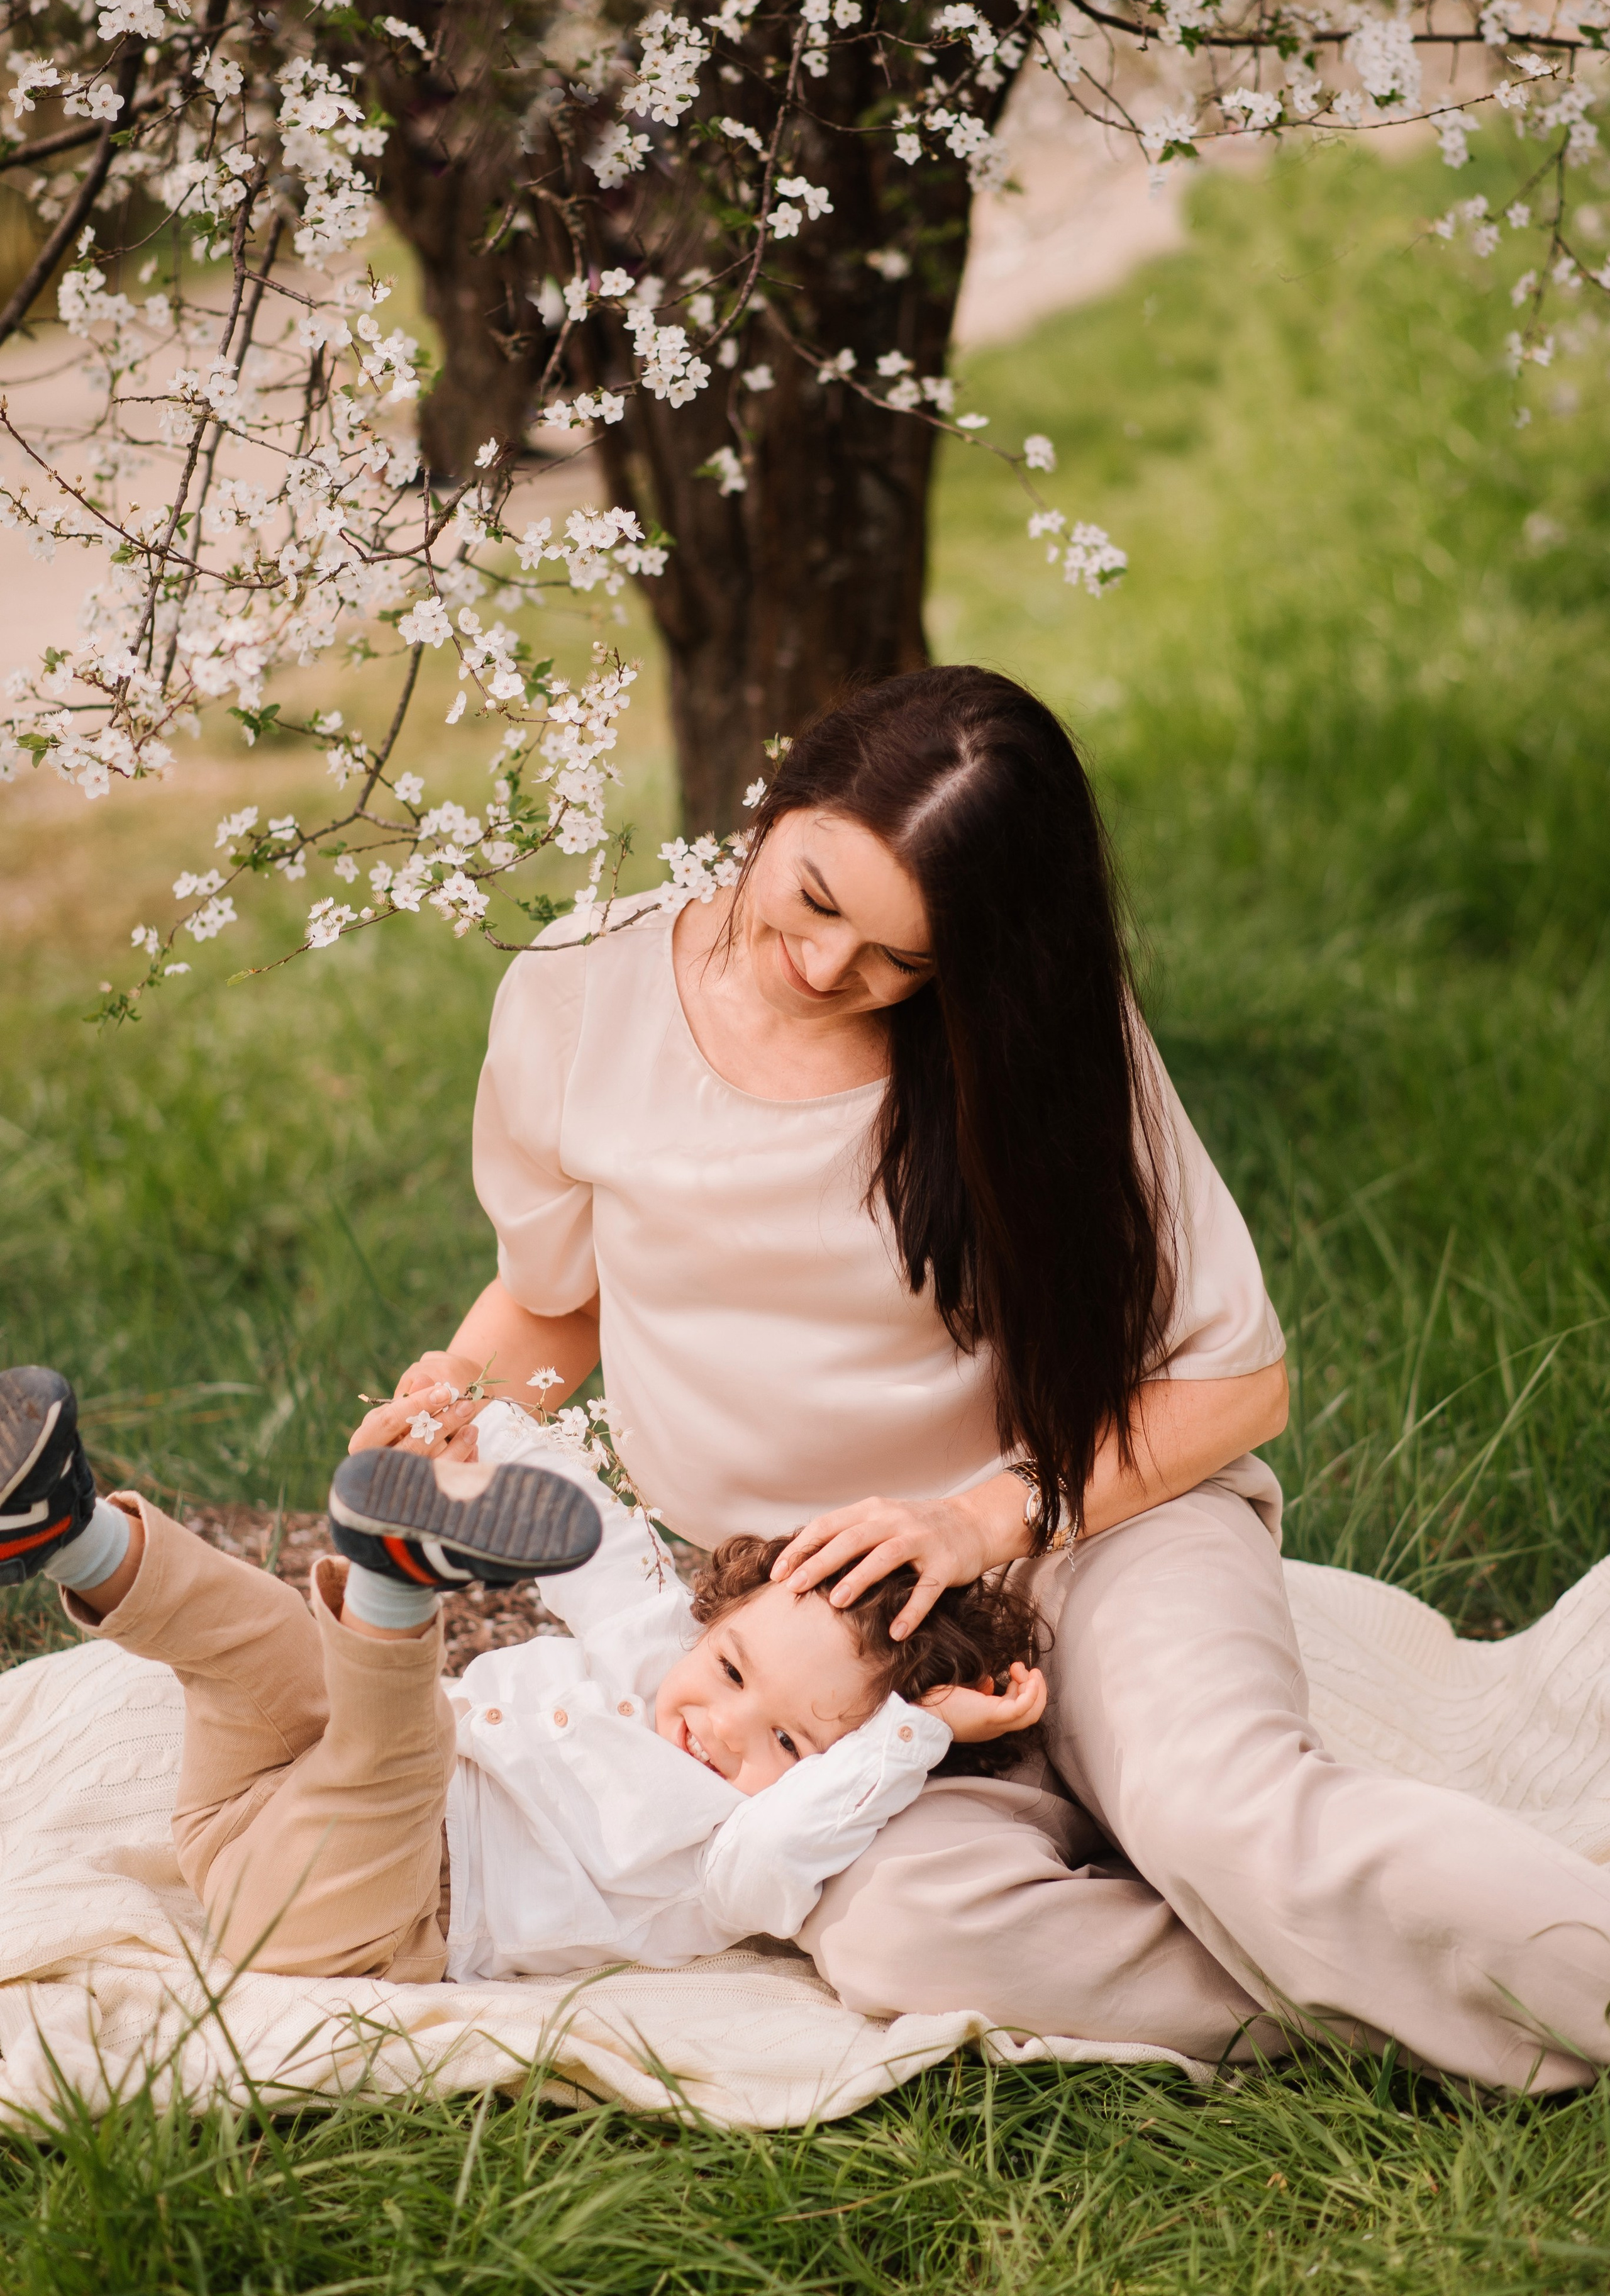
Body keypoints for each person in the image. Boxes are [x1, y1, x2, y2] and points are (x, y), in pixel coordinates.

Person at [344, 663, 1610, 2090]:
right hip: (811, 1649)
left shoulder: (1032, 1036)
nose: (828, 970)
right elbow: (548, 1299)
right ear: (780, 795)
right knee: (901, 1936)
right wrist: (455, 1389)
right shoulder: (578, 990)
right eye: (813, 898)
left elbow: (1237, 1384)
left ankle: (1479, 1953)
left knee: (1217, 1814)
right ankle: (1358, 1981)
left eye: (902, 960)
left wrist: (973, 1521)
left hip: (1082, 1532)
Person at [1, 1369, 1045, 1981]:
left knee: (400, 1744)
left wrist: (916, 1733)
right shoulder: (657, 1644)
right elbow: (596, 1543)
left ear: (831, 1769)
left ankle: (397, 1578)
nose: (727, 1723)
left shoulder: (736, 1858)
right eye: (730, 1667)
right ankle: (69, 1524)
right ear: (715, 1616)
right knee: (263, 1642)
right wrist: (478, 1431)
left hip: (374, 1912)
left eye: (788, 1743)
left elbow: (791, 1830)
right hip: (248, 1809)